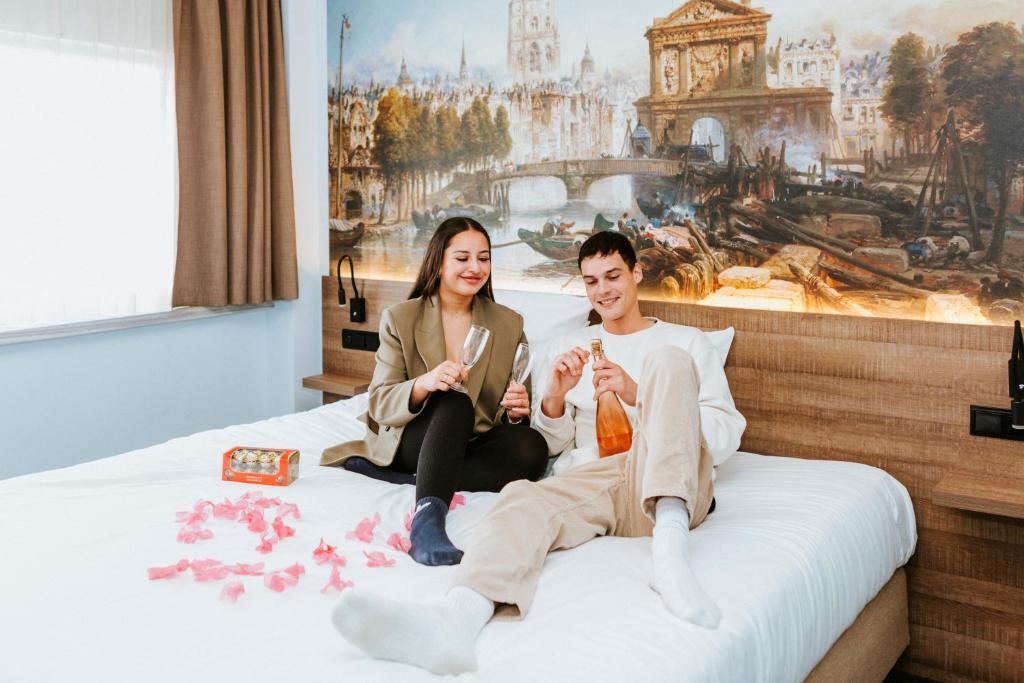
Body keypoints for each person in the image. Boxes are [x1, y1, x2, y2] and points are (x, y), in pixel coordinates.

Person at [331, 231, 746, 674]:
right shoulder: (575, 343)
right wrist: (553, 398)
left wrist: (637, 393)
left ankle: (670, 551)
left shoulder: (687, 343)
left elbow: (722, 437)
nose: (603, 290)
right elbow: (551, 447)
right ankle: (454, 622)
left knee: (665, 361)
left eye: (613, 277)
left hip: (676, 480)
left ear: (637, 274)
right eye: (591, 282)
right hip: (604, 484)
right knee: (522, 497)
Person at [319, 217, 549, 567]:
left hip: (469, 443)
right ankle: (427, 522)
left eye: (484, 258)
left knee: (533, 447)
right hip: (413, 438)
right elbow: (380, 404)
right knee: (454, 403)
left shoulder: (509, 323)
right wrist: (424, 384)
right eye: (462, 258)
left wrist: (518, 412)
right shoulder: (401, 318)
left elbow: (510, 414)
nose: (476, 267)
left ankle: (413, 479)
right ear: (439, 263)